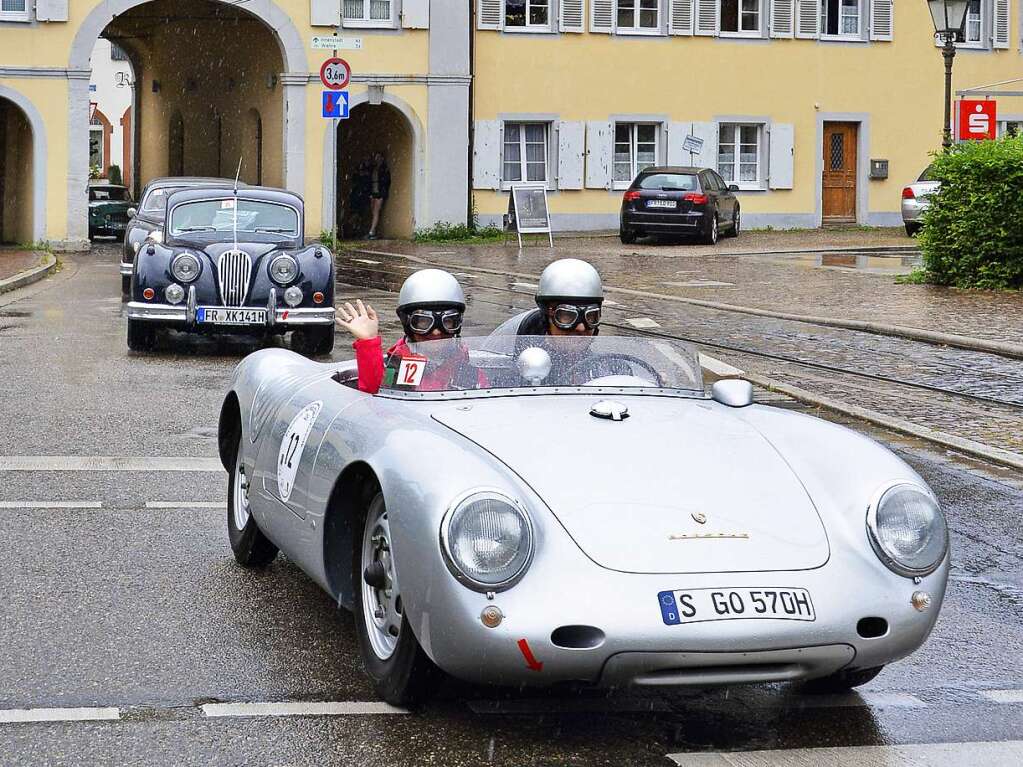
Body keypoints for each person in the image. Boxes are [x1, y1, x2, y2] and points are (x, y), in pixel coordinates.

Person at [335, 269, 482, 394]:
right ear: (407, 322)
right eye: (424, 322)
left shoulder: (469, 374)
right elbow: (375, 394)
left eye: (448, 321)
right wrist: (368, 343)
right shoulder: (397, 368)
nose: (436, 332)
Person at [494, 258, 604, 338]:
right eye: (567, 315)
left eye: (590, 317)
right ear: (546, 316)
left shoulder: (600, 366)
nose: (581, 327)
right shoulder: (523, 355)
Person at [366, 152, 391, 240]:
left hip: (379, 193)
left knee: (376, 211)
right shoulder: (374, 168)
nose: (377, 159)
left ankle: (371, 231)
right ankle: (373, 230)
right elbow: (369, 180)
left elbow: (386, 182)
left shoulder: (384, 169)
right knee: (373, 212)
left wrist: (382, 194)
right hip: (373, 192)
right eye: (376, 157)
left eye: (379, 157)